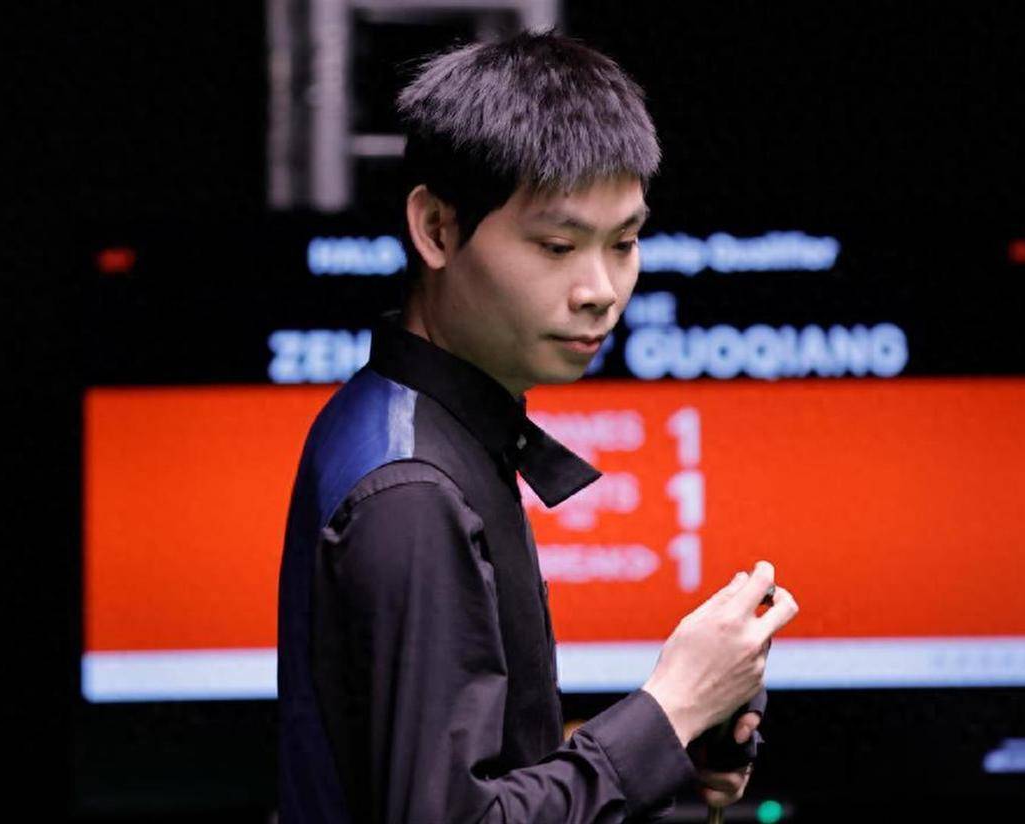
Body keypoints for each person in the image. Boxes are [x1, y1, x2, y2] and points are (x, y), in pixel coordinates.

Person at [277, 29, 799, 823]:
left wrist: (666, 746)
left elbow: (474, 778)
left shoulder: (408, 421)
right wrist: (671, 709)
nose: (601, 289)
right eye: (558, 246)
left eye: (624, 243)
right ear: (437, 229)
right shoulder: (411, 489)